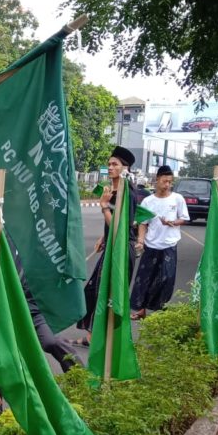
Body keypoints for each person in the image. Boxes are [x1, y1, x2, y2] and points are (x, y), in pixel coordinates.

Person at [0, 227, 79, 374]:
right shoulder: (0, 236)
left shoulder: (42, 238)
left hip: (33, 307)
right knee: (1, 355)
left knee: (51, 341)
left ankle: (80, 379)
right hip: (4, 308)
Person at [76, 146, 139, 345]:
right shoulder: (111, 190)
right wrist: (103, 237)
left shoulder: (125, 192)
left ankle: (103, 339)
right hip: (111, 246)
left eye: (115, 164)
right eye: (109, 163)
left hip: (120, 250)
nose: (110, 167)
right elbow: (112, 228)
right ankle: (93, 336)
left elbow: (120, 229)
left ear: (125, 168)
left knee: (108, 292)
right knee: (94, 289)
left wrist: (103, 207)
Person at [129, 165, 190, 320]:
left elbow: (184, 218)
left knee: (166, 278)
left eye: (170, 182)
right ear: (157, 180)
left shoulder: (177, 199)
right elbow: (143, 223)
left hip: (169, 245)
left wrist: (174, 222)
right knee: (144, 278)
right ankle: (140, 310)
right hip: (151, 245)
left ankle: (159, 309)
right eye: (164, 181)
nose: (167, 185)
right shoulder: (148, 201)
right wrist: (141, 241)